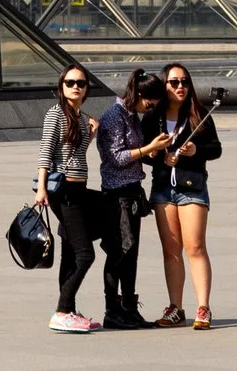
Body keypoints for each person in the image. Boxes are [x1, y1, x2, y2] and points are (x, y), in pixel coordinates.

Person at [149, 61, 221, 330]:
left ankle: (203, 308)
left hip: (191, 186)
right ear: (164, 85)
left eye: (185, 82)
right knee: (171, 251)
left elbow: (215, 149)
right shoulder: (153, 117)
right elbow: (145, 151)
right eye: (174, 82)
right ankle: (175, 308)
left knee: (195, 246)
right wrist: (158, 155)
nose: (181, 87)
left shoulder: (199, 114)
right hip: (163, 189)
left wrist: (195, 151)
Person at [34, 65, 105, 333]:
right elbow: (45, 152)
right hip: (62, 192)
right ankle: (62, 310)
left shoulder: (82, 116)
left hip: (80, 190)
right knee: (85, 254)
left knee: (70, 253)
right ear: (61, 86)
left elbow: (75, 155)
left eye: (81, 83)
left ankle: (70, 310)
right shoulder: (55, 114)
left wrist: (91, 134)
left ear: (87, 88)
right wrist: (41, 188)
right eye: (70, 82)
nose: (76, 86)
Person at [95, 68, 167, 329]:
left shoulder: (132, 115)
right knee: (119, 251)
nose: (150, 108)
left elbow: (133, 153)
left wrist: (153, 154)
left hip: (132, 190)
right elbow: (115, 157)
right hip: (117, 194)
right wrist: (148, 149)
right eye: (149, 103)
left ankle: (128, 307)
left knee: (131, 252)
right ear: (137, 94)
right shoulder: (114, 116)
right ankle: (112, 310)